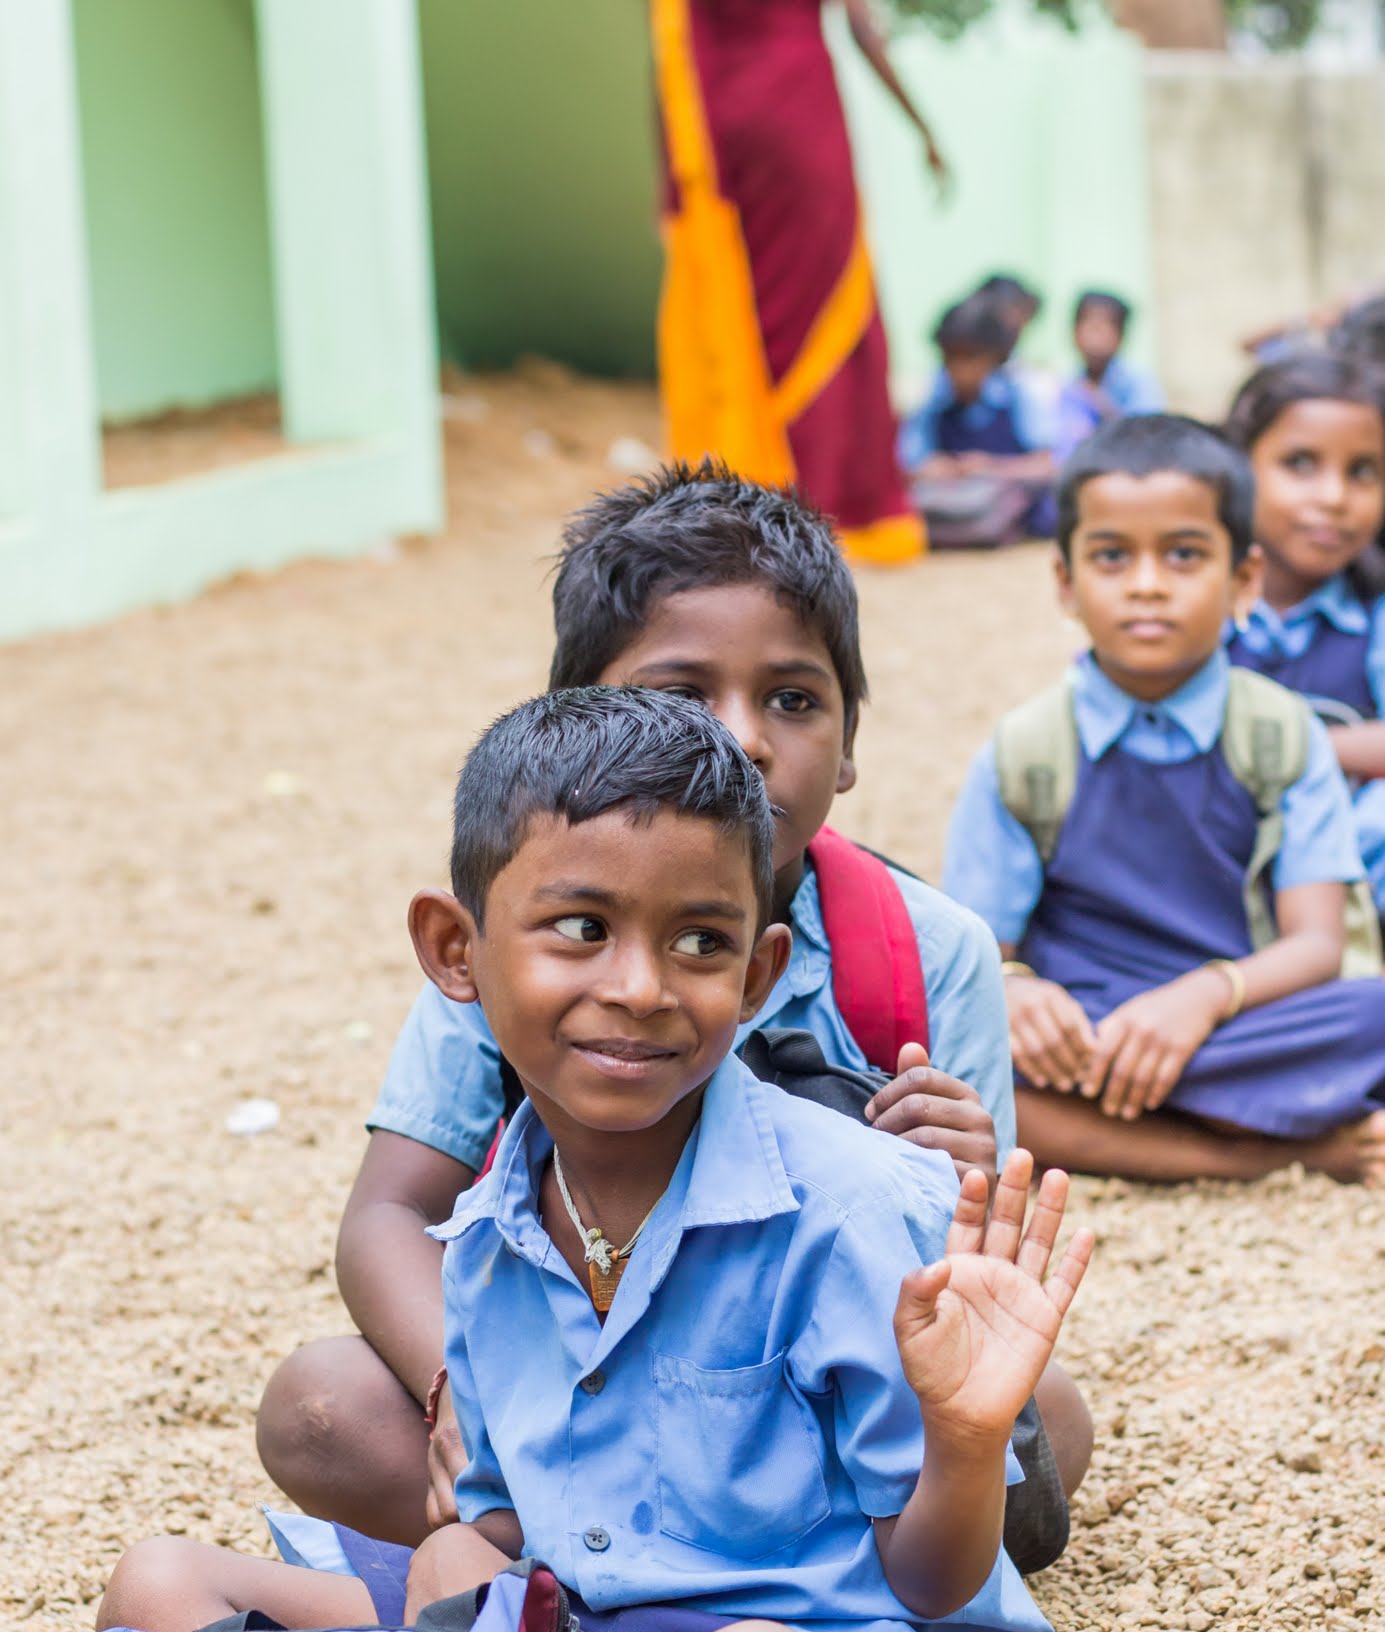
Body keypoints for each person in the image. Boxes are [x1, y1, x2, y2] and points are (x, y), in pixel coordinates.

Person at [101, 690, 1092, 1632]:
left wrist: (967, 1442)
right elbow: (507, 1535)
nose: (636, 986)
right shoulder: (498, 1221)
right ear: (456, 951)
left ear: (753, 975)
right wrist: (469, 1556)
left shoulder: (859, 1209)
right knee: (160, 1583)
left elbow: (930, 1585)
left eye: (698, 942)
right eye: (579, 929)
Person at [258, 462, 1096, 1550]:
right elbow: (385, 1215)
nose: (745, 738)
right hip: (562, 1374)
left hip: (789, 1392)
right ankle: (691, 1575)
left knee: (1043, 1423)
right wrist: (450, 1389)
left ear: (846, 747)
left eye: (792, 699)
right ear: (578, 720)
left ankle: (598, 1578)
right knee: (320, 1406)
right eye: (680, 695)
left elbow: (962, 1285)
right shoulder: (524, 944)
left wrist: (959, 1177)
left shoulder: (925, 951)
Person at [943, 412, 1385, 1185]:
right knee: (954, 1050)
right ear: (1065, 583)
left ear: (1242, 580)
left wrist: (1200, 999)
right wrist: (1017, 995)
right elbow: (980, 952)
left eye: (1183, 555)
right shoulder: (1022, 751)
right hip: (1089, 1027)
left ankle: (1153, 1114)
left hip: (1240, 1015)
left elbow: (1314, 946)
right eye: (1112, 557)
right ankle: (1271, 1148)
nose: (1147, 584)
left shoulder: (1283, 737)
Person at [652, 0, 948, 565]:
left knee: (761, 310)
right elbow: (862, 27)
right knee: (832, 297)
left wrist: (671, 178)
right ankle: (834, 501)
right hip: (801, 110)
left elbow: (668, 54)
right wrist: (921, 126)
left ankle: (750, 492)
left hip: (725, 126)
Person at [1223, 353, 1385, 913]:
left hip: (1353, 875)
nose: (1335, 497)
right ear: (1239, 468)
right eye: (1300, 463)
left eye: (1362, 471)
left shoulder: (1375, 614)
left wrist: (1298, 752)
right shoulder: (1194, 606)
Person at [898, 299, 1058, 545]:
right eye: (951, 358)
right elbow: (904, 466)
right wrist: (929, 469)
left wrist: (991, 467)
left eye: (970, 357)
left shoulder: (1017, 396)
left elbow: (1049, 466)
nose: (959, 369)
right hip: (950, 513)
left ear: (994, 357)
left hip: (1004, 517)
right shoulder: (936, 401)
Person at [1056, 291, 1164, 459]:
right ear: (1073, 332)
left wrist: (1098, 401)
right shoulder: (1069, 387)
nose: (1095, 336)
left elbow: (1149, 438)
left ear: (1121, 335)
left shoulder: (1138, 382)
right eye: (1089, 326)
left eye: (1103, 327)